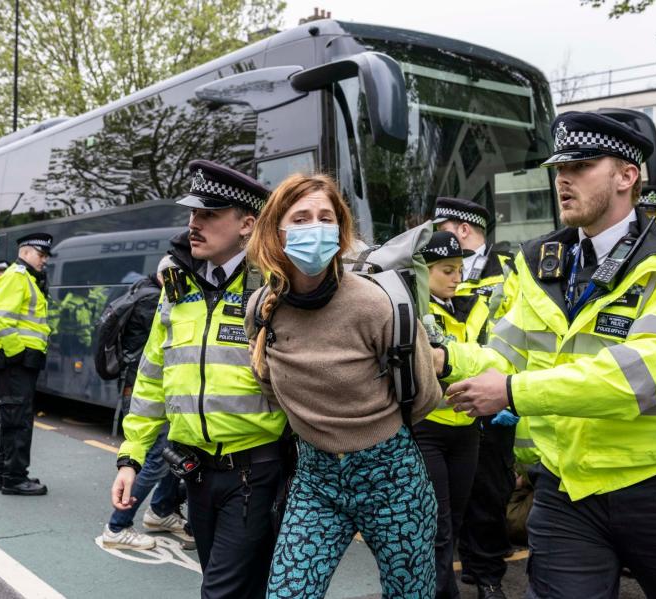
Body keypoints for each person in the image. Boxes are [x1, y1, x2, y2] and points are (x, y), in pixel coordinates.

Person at [438, 111, 656, 597]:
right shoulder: (540, 261)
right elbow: (505, 355)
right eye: (559, 169)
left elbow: (644, 374)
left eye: (581, 166)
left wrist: (512, 392)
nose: (563, 179)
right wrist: (446, 360)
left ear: (627, 176)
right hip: (566, 488)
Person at [246, 173, 441, 598]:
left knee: (411, 592)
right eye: (300, 219)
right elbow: (269, 383)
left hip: (392, 477)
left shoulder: (376, 303)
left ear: (340, 229)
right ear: (276, 234)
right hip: (315, 481)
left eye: (325, 217)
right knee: (287, 592)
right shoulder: (262, 309)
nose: (314, 228)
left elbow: (425, 394)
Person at [112, 160, 286, 598]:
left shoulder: (273, 288)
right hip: (196, 474)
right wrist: (131, 457)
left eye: (209, 214)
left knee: (221, 593)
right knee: (225, 583)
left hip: (256, 472)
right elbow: (152, 376)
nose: (194, 223)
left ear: (247, 224)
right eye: (193, 213)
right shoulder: (178, 285)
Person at [432, 197, 518, 598]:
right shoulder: (428, 268)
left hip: (495, 398)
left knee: (489, 494)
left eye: (442, 228)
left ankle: (486, 578)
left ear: (462, 229)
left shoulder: (510, 273)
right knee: (443, 508)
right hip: (445, 405)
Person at [413, 230, 488, 598]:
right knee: (437, 529)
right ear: (422, 271)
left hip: (468, 429)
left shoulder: (476, 306)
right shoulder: (408, 309)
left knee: (453, 525)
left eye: (460, 269)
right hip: (428, 429)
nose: (458, 277)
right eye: (447, 270)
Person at [100, 259, 190, 550]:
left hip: (142, 383)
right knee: (154, 458)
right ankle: (118, 526)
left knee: (172, 452)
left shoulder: (141, 289)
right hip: (150, 388)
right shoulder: (155, 299)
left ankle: (161, 511)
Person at [0, 233, 52, 495]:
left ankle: (5, 475)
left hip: (19, 362)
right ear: (26, 252)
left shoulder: (25, 278)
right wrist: (17, 355)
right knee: (19, 421)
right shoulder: (17, 276)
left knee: (13, 420)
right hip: (16, 362)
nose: (44, 260)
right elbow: (0, 318)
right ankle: (15, 478)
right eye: (41, 254)